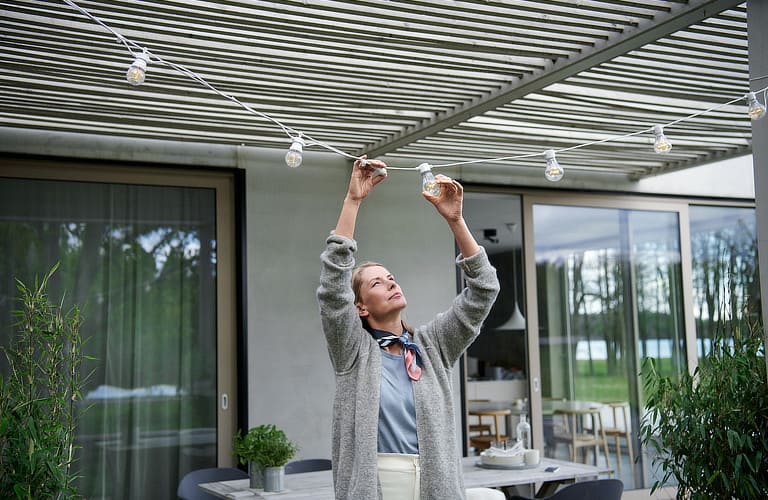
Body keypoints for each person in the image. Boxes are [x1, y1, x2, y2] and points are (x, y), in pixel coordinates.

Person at [316, 156, 502, 500]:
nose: (390, 283)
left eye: (391, 277)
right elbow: (333, 288)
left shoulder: (433, 345)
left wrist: (456, 221)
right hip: (378, 486)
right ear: (360, 307)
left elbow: (484, 290)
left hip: (435, 484)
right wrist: (353, 201)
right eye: (376, 283)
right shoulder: (352, 351)